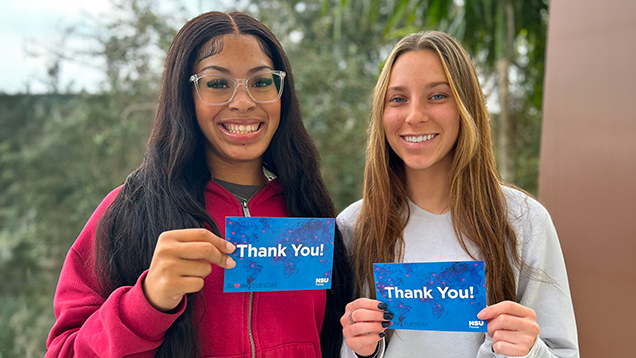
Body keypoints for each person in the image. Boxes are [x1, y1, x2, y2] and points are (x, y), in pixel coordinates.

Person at [45, 11, 351, 358]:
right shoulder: (127, 211)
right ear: (186, 95)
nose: (243, 101)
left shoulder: (308, 210)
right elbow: (64, 352)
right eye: (217, 84)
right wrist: (146, 303)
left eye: (261, 82)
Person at [338, 31, 579, 358]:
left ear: (466, 104)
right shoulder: (353, 226)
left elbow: (564, 353)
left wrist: (530, 351)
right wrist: (358, 350)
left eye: (437, 96)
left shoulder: (525, 220)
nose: (414, 115)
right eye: (398, 99)